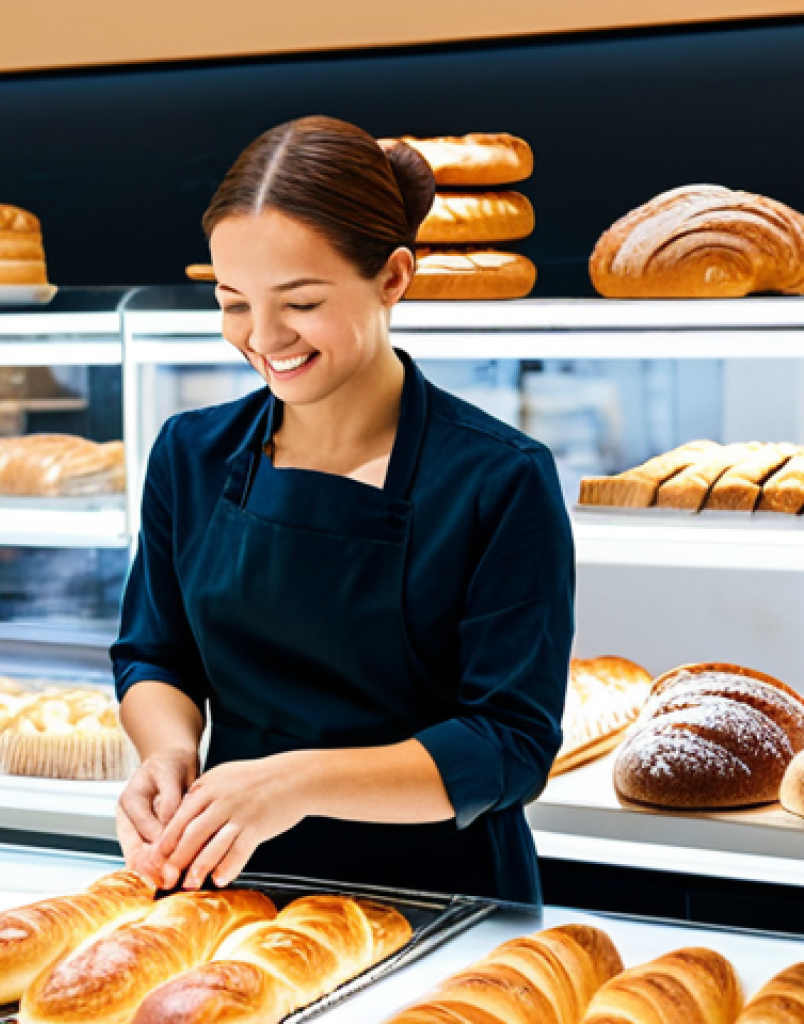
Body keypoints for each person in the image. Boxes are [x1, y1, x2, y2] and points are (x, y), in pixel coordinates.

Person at [112, 115, 573, 903]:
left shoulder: (499, 479)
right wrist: (168, 754)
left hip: (444, 898)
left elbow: (508, 745)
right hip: (230, 885)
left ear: (393, 277)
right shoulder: (189, 454)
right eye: (233, 303)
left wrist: (295, 784)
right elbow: (154, 656)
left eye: (300, 301)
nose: (263, 339)